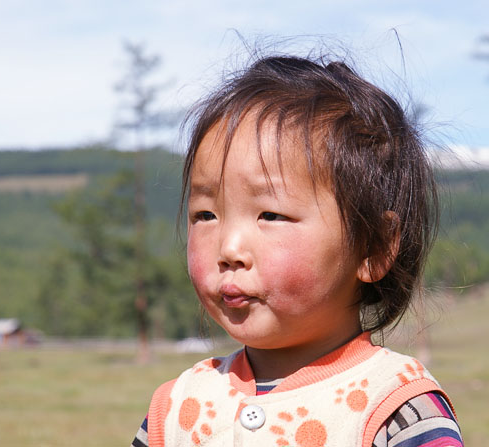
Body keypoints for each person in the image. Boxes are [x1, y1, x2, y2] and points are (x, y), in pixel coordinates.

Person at [132, 53, 463, 447]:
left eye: (270, 214)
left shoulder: (396, 411)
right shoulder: (175, 411)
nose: (229, 248)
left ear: (372, 247)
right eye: (205, 214)